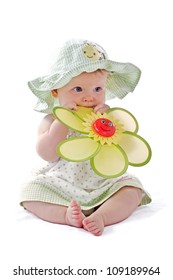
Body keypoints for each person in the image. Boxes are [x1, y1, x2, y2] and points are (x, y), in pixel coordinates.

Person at [20, 39, 151, 236]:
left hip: (104, 184)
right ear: (56, 90)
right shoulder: (51, 119)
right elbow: (47, 154)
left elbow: (123, 149)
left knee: (132, 188)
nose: (89, 97)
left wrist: (110, 123)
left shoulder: (105, 117)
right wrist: (62, 122)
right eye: (78, 89)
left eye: (98, 89)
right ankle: (65, 215)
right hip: (63, 185)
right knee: (29, 192)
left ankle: (103, 216)